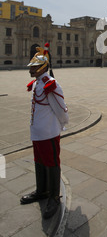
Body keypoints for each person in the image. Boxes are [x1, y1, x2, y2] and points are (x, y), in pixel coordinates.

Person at [20, 43, 69, 219]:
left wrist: (63, 124)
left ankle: (54, 197)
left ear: (42, 68)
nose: (30, 70)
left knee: (52, 163)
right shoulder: (37, 84)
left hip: (48, 132)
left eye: (33, 67)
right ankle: (42, 190)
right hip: (38, 133)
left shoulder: (50, 84)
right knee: (39, 161)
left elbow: (60, 108)